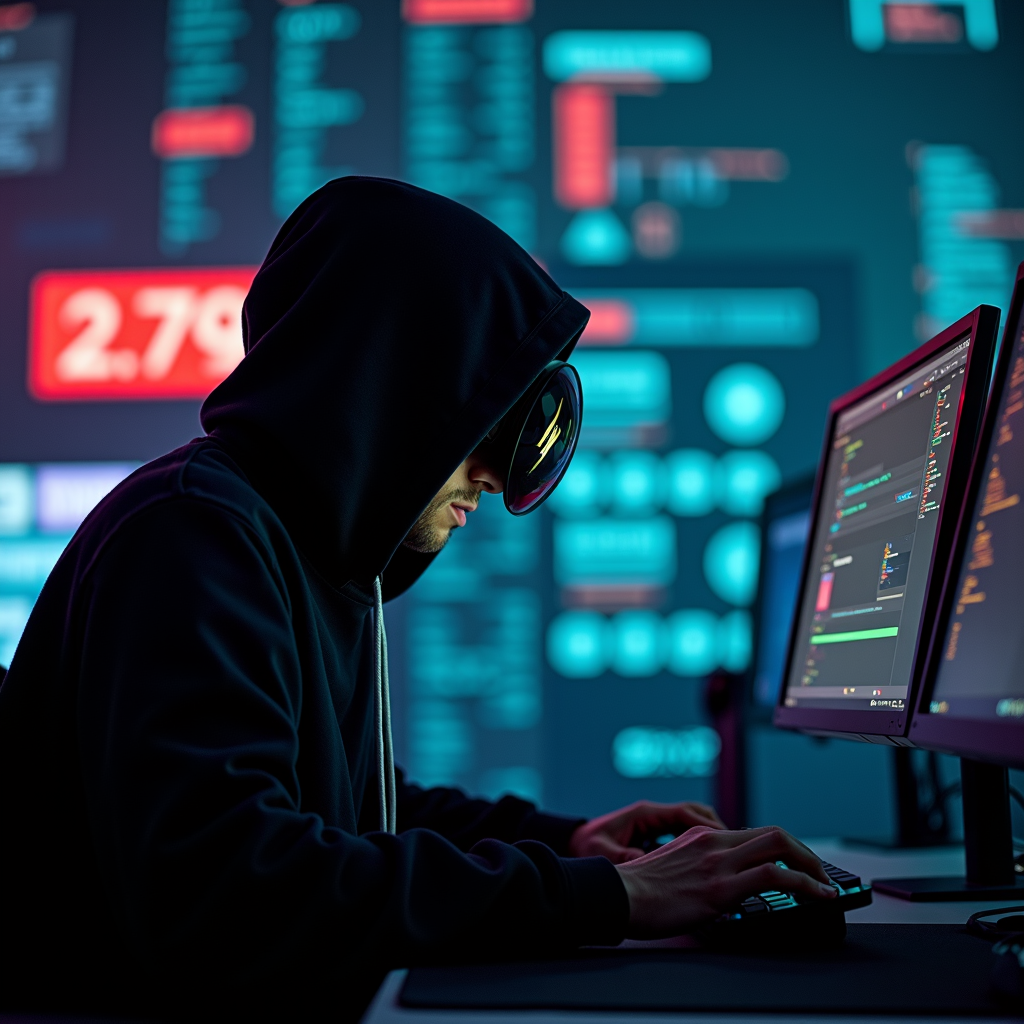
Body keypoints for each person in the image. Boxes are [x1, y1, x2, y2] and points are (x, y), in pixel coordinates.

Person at [0, 178, 834, 1019]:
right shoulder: (191, 535)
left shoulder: (307, 554)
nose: (497, 476)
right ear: (386, 384)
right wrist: (613, 898)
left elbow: (364, 816)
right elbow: (232, 889)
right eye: (483, 421)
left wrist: (568, 844)